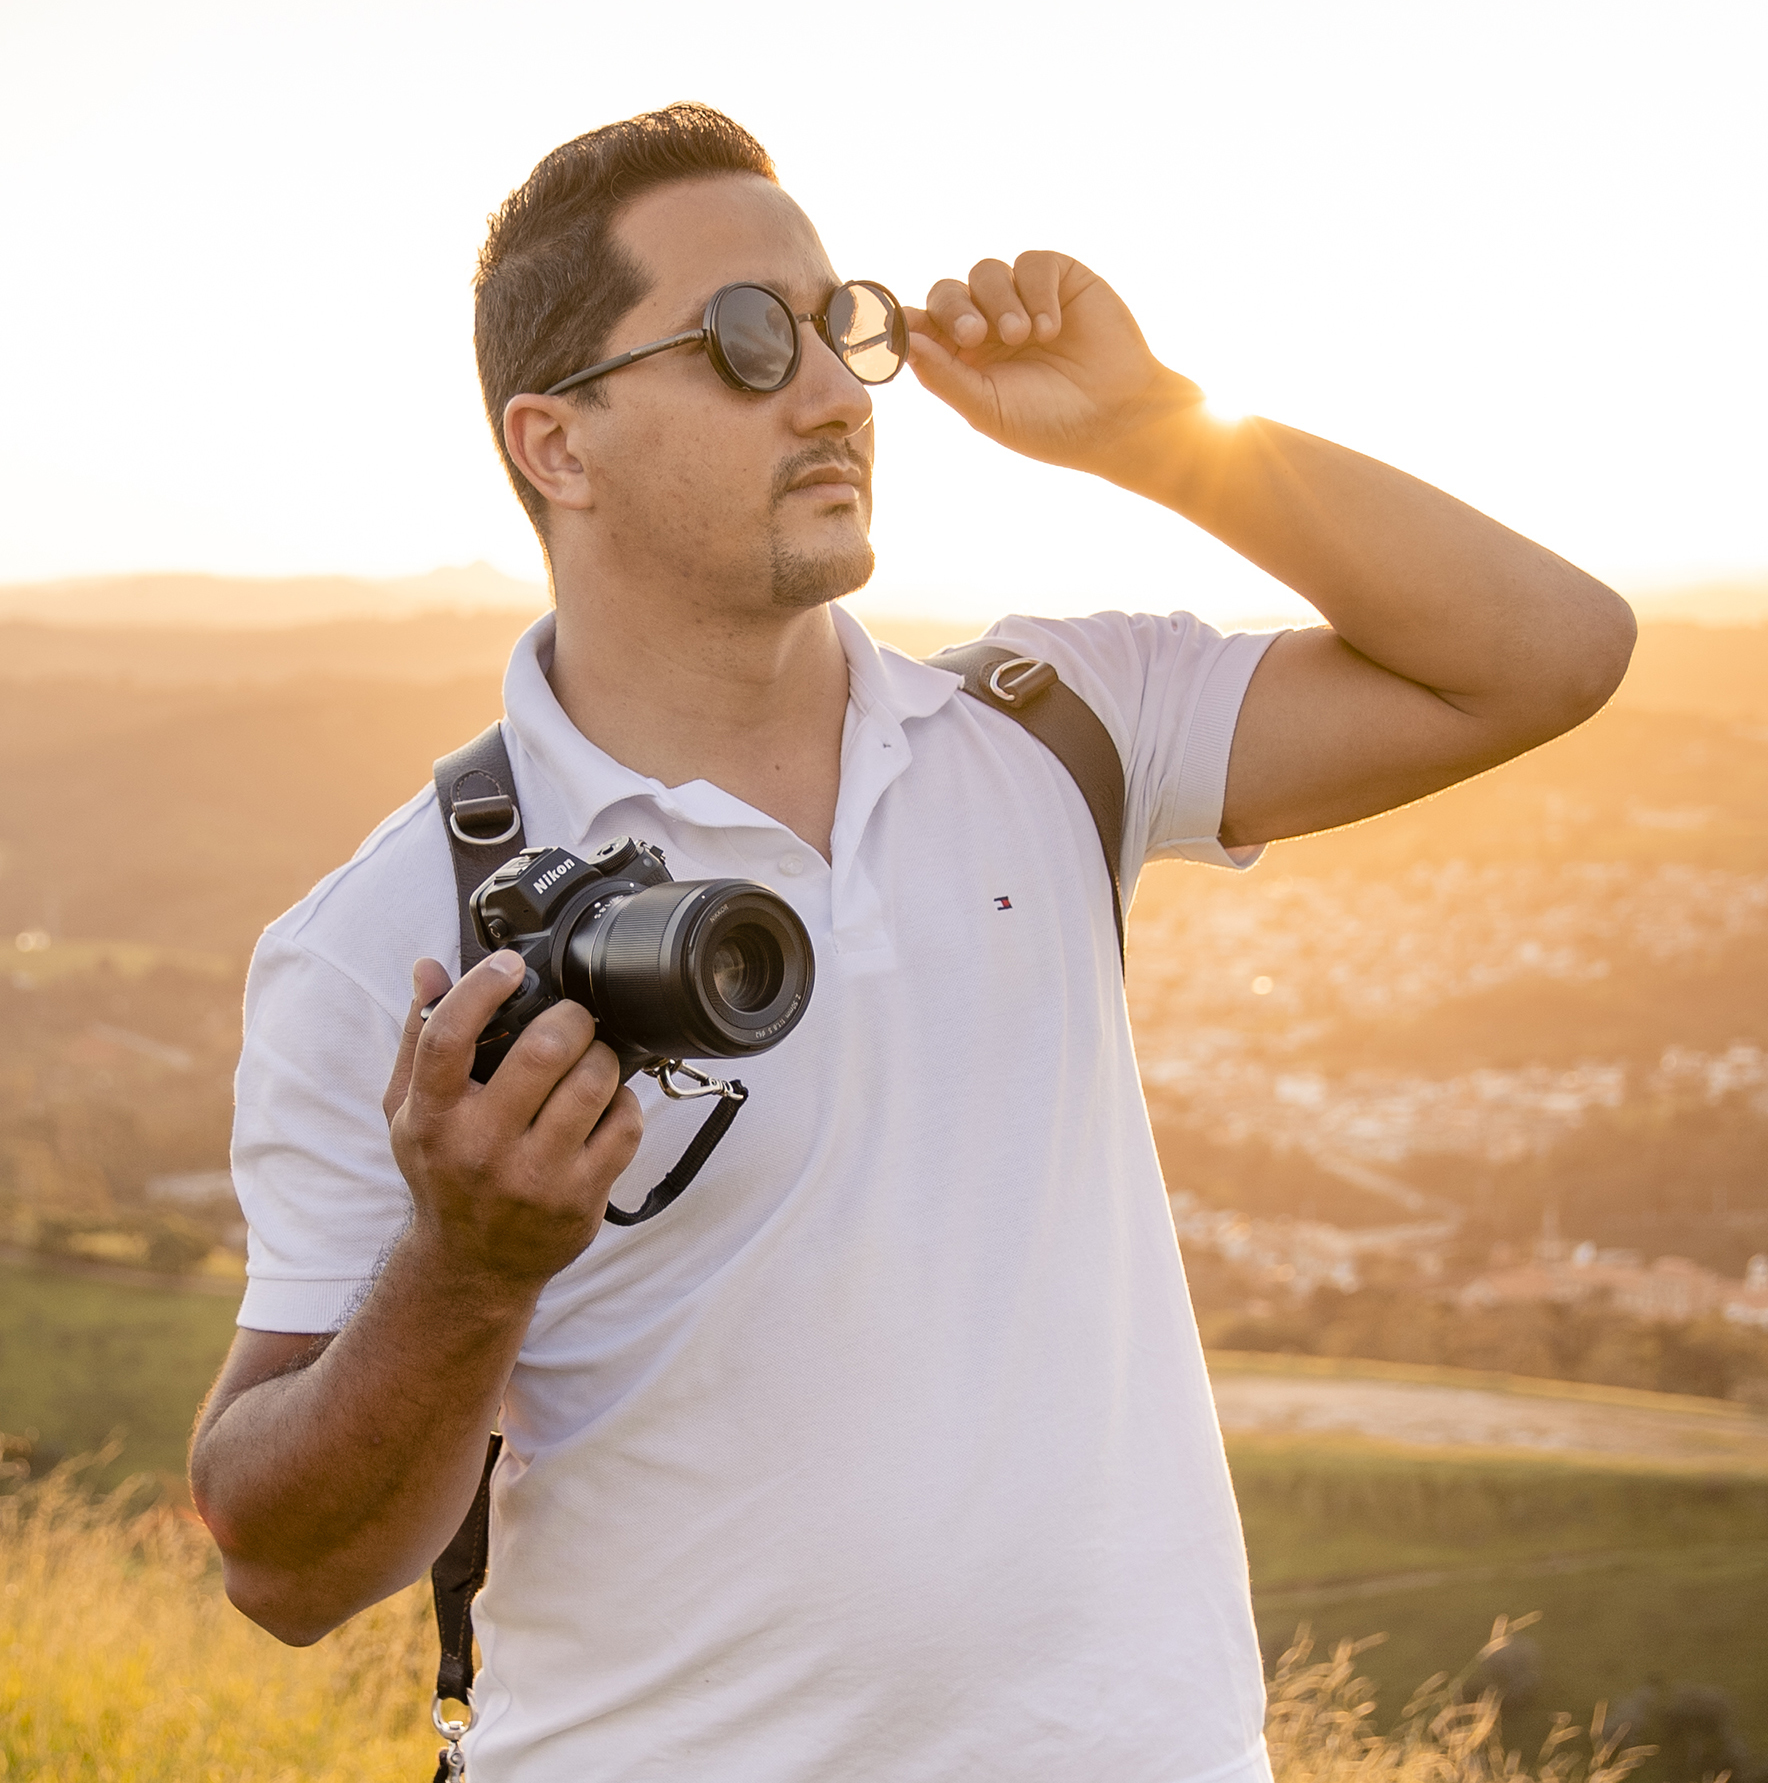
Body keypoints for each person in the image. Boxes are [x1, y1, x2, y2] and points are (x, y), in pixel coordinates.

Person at [189, 103, 1635, 1781]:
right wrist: (469, 1264)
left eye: (838, 325)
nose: (827, 392)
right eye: (741, 341)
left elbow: (1550, 655)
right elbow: (282, 1564)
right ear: (555, 446)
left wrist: (1163, 434)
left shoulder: (1062, 735)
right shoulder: (396, 935)